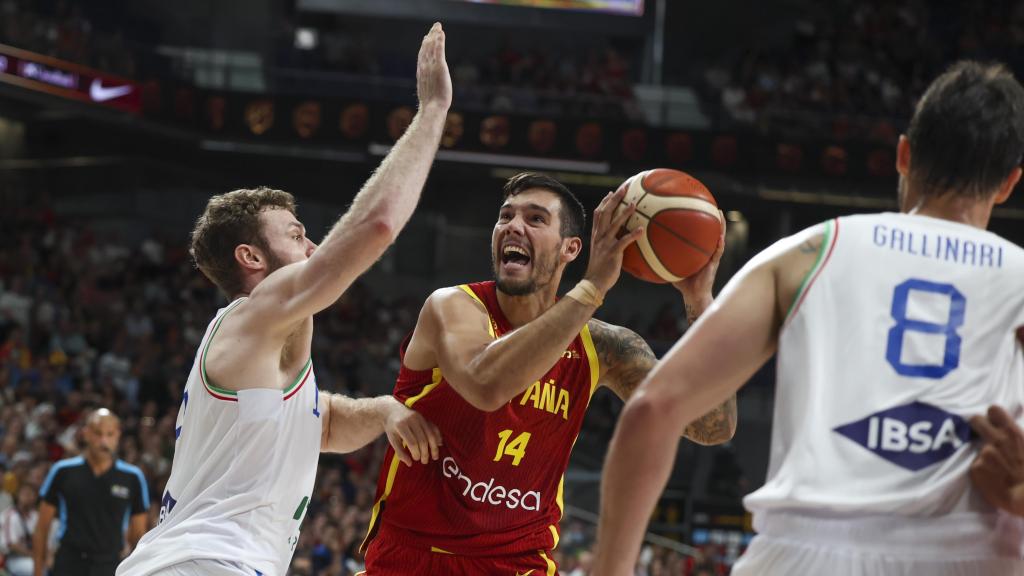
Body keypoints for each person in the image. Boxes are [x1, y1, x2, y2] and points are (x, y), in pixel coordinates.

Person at [593, 60, 1024, 575]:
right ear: (1008, 184)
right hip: (969, 556)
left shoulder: (810, 252)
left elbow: (652, 409)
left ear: (904, 155)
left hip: (801, 556)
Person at [116, 22, 452, 576]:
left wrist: (388, 410)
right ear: (252, 259)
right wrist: (432, 112)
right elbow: (376, 225)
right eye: (297, 235)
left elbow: (316, 426)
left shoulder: (263, 349)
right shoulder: (260, 311)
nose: (314, 244)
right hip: (206, 564)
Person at [359, 172, 737, 575]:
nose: (513, 226)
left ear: (570, 248)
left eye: (535, 219)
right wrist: (592, 287)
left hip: (519, 564)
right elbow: (486, 385)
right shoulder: (454, 307)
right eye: (505, 216)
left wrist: (700, 304)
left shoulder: (602, 347)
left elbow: (713, 426)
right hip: (414, 558)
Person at [33, 409, 149, 576]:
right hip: (69, 562)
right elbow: (42, 527)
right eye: (97, 433)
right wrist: (37, 571)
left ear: (118, 436)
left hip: (111, 565)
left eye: (110, 434)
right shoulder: (63, 471)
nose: (103, 440)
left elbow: (139, 534)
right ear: (85, 434)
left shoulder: (133, 477)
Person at [2, 483, 39, 576]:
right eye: (25, 493)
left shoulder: (36, 516)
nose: (27, 497)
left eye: (31, 494)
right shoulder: (10, 515)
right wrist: (34, 556)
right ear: (18, 495)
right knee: (34, 568)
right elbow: (12, 545)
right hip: (13, 558)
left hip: (35, 555)